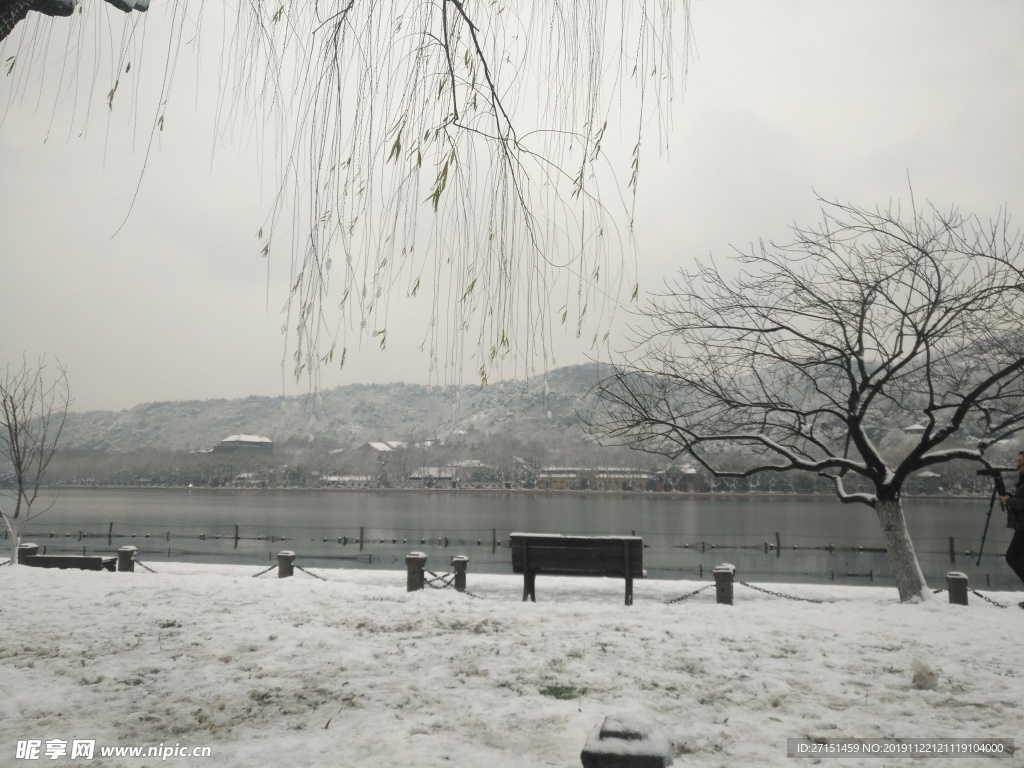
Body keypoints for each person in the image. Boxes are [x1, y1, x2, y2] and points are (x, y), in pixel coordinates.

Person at [998, 451, 1024, 608]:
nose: (1017, 464)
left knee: (1012, 557)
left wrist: (1010, 501)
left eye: (1019, 461)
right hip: (1021, 527)